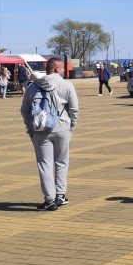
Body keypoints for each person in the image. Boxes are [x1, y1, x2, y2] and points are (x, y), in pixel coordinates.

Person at [20, 57, 79, 211]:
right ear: (55, 69)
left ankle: (50, 200)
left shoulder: (33, 86)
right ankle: (60, 195)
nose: (63, 72)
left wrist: (30, 129)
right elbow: (74, 109)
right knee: (62, 162)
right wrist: (71, 126)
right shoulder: (66, 85)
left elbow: (25, 110)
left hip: (40, 131)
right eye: (62, 69)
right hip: (62, 129)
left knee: (44, 165)